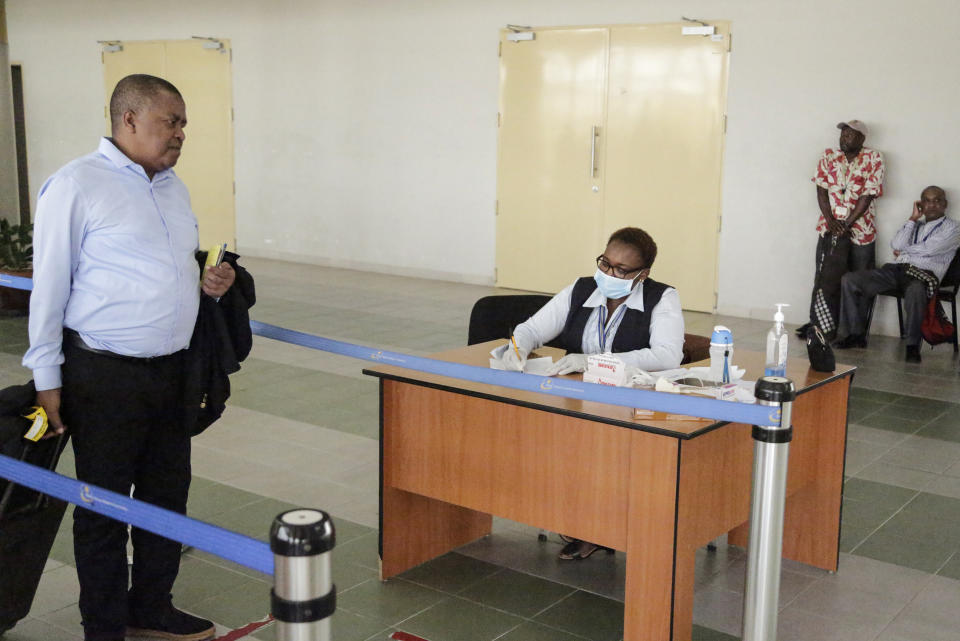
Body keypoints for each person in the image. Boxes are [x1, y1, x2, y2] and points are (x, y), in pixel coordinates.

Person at [22, 74, 235, 641]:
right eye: (173, 121)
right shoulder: (75, 185)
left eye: (184, 122)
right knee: (104, 505)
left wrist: (210, 282)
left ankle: (152, 606)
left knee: (168, 496)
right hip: (103, 375)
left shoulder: (172, 186)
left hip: (172, 372)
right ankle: (105, 624)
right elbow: (50, 289)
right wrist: (47, 377)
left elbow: (169, 270)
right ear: (130, 120)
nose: (182, 134)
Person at [500, 227, 684, 558]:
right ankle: (578, 520)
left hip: (629, 408)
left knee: (599, 448)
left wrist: (595, 361)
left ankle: (599, 528)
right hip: (576, 402)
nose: (608, 274)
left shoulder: (662, 298)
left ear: (643, 275)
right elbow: (530, 329)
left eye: (621, 270)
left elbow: (668, 355)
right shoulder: (583, 289)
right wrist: (518, 348)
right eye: (605, 263)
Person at [835, 186, 960, 363]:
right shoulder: (914, 225)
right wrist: (912, 218)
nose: (932, 205)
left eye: (937, 200)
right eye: (927, 200)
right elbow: (896, 243)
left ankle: (912, 346)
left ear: (945, 204)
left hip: (922, 275)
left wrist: (905, 251)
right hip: (896, 270)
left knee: (916, 291)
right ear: (921, 204)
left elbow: (931, 249)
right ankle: (854, 335)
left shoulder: (954, 228)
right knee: (851, 280)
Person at [798, 120, 885, 340]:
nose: (844, 138)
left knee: (858, 281)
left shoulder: (874, 158)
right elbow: (821, 191)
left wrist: (846, 224)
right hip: (830, 228)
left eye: (849, 135)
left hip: (861, 231)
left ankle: (854, 332)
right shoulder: (828, 156)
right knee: (826, 277)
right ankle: (823, 326)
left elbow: (869, 194)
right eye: (842, 134)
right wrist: (831, 221)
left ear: (862, 139)